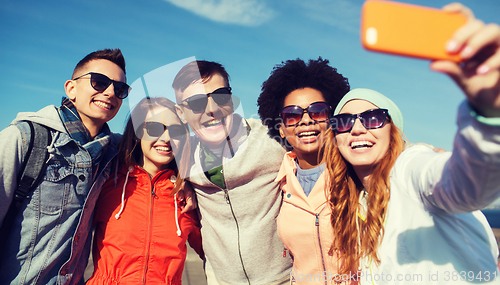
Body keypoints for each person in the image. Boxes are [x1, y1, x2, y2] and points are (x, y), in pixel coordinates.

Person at [324, 3, 500, 284]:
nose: (356, 128)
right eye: (343, 122)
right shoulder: (356, 202)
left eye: (372, 118)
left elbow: (469, 185)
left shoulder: (410, 169)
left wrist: (489, 117)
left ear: (393, 130)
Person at [0, 49, 129, 284]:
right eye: (99, 82)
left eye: (120, 89)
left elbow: (163, 149)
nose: (111, 93)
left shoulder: (114, 153)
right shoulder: (24, 139)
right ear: (71, 88)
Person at [172, 60, 292, 285]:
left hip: (286, 278)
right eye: (196, 103)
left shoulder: (272, 136)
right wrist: (179, 181)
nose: (211, 109)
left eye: (220, 95)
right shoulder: (182, 156)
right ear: (180, 112)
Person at [86, 97, 203, 284]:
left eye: (175, 131)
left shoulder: (188, 196)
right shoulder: (107, 180)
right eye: (155, 129)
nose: (166, 139)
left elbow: (214, 253)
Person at [257, 57, 352, 284]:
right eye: (292, 114)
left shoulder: (355, 170)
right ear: (281, 129)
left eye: (317, 111)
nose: (306, 121)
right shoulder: (277, 180)